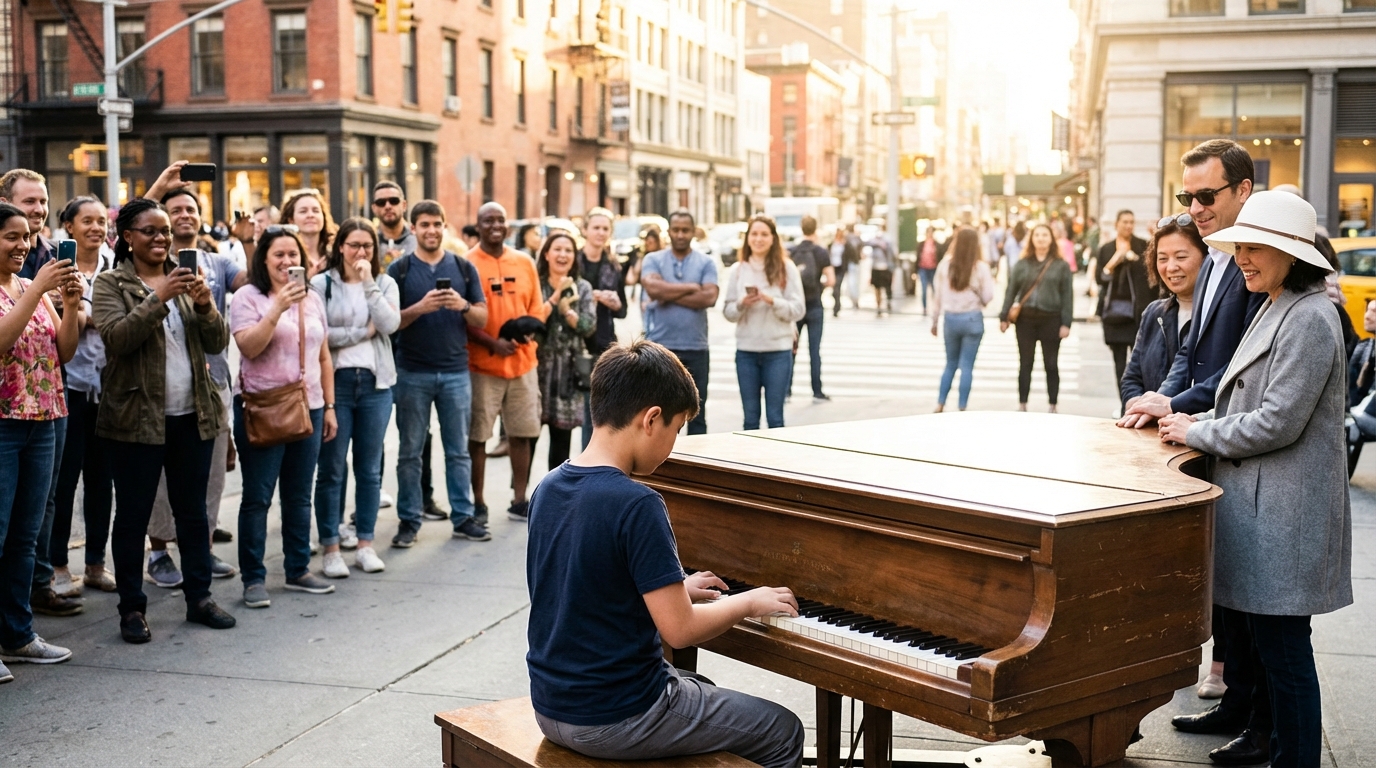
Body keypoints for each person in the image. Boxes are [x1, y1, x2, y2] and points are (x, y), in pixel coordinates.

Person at [525, 339, 804, 766]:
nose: (674, 444)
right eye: (677, 429)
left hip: (552, 705)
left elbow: (583, 586)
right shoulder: (637, 503)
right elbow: (680, 631)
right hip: (618, 715)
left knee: (700, 683)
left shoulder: (548, 487)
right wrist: (748, 601)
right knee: (783, 730)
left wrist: (675, 587)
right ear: (651, 419)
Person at [1158, 191, 1352, 768]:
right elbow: (1248, 400)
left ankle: (1295, 759)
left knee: (1287, 656)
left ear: (1291, 254)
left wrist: (1195, 433)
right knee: (1270, 650)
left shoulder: (1312, 317)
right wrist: (1200, 419)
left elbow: (1277, 421)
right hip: (1265, 509)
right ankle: (1263, 738)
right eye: (1238, 246)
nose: (1241, 257)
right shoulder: (1276, 302)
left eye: (1253, 247)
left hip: (1285, 515)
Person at [1123, 141, 1271, 765]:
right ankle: (1236, 703)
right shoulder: (1217, 256)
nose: (1196, 208)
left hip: (1237, 442)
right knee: (1226, 589)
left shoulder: (1256, 257)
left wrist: (1182, 410)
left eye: (1206, 197)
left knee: (1260, 603)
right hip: (1202, 428)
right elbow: (1192, 355)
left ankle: (1259, 720)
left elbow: (1236, 369)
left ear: (1243, 190)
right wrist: (1163, 398)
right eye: (1187, 197)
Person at [92, 198, 237, 643]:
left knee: (193, 514)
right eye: (150, 231)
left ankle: (199, 598)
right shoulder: (110, 284)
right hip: (135, 419)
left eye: (165, 231)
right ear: (127, 238)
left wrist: (207, 306)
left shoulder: (188, 279)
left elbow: (217, 341)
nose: (160, 238)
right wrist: (160, 297)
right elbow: (118, 338)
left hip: (191, 415)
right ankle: (132, 609)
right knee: (134, 515)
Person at [142, 187, 248, 587]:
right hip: (160, 387)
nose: (184, 215)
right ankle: (158, 554)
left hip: (212, 382)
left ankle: (199, 552)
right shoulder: (147, 264)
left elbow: (254, 281)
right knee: (161, 480)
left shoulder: (217, 263)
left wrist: (249, 237)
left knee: (210, 476)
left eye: (191, 209)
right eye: (175, 211)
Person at [230, 226, 339, 608]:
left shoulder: (312, 298)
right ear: (263, 259)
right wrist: (277, 307)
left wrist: (329, 406)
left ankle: (297, 570)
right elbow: (249, 346)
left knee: (298, 496)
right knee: (257, 497)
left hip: (307, 405)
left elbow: (324, 356)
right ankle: (254, 578)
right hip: (263, 406)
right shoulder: (248, 297)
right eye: (278, 254)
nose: (287, 261)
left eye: (293, 254)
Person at [0, 202, 80, 678]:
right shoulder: (31, 291)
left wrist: (69, 303)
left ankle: (17, 635)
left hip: (45, 417)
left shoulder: (33, 287)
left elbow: (64, 350)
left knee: (26, 537)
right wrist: (40, 293)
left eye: (26, 237)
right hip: (4, 422)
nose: (23, 245)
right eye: (11, 236)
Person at [388, 201, 490, 545]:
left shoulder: (463, 267)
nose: (431, 230)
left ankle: (463, 517)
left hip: (455, 372)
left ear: (444, 227)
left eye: (437, 224)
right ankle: (409, 519)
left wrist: (460, 305)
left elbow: (482, 317)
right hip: (412, 371)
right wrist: (420, 308)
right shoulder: (399, 270)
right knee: (409, 452)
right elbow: (389, 323)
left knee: (458, 450)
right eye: (424, 224)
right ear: (413, 228)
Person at [312, 218, 400, 575]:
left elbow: (390, 324)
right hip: (336, 383)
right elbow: (318, 333)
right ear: (340, 247)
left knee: (369, 469)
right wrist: (361, 332)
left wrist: (366, 283)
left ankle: (365, 543)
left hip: (376, 384)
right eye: (353, 245)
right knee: (332, 467)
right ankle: (331, 547)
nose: (361, 252)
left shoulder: (383, 282)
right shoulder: (321, 284)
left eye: (367, 246)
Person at [49, 197, 116, 597]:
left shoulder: (115, 266)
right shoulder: (55, 266)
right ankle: (58, 565)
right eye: (85, 221)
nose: (95, 228)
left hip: (109, 387)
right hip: (66, 385)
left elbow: (112, 317)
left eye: (99, 221)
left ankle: (95, 563)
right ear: (68, 227)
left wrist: (83, 314)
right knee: (65, 478)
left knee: (101, 479)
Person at [465, 202, 547, 524]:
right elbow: (463, 316)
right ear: (478, 225)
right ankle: (479, 502)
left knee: (522, 432)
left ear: (507, 226)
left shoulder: (524, 262)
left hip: (523, 364)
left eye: (500, 219)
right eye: (488, 220)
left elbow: (537, 309)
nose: (495, 225)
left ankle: (519, 499)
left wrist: (527, 337)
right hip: (482, 366)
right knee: (478, 435)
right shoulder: (467, 263)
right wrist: (492, 343)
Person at [639, 211, 718, 435]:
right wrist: (692, 287)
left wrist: (667, 292)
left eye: (685, 230)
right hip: (661, 349)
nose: (680, 234)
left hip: (696, 347)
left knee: (697, 416)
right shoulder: (653, 259)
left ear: (693, 232)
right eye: (676, 230)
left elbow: (709, 297)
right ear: (669, 231)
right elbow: (652, 289)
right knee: (658, 416)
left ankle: (697, 466)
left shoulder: (706, 262)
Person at [723, 216, 805, 430]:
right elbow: (728, 312)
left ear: (773, 238)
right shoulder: (738, 270)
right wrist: (742, 303)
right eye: (754, 234)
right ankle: (748, 463)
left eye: (764, 234)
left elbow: (798, 309)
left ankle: (775, 463)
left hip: (778, 351)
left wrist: (771, 300)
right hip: (746, 351)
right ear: (748, 238)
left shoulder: (786, 268)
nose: (758, 239)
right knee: (750, 419)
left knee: (775, 418)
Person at [1120, 214, 1206, 408]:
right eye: (1163, 258)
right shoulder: (1154, 312)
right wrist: (1142, 409)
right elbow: (1131, 380)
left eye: (1181, 257)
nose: (1171, 267)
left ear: (1206, 258)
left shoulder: (1217, 314)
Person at [533, 232, 596, 469]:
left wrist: (569, 312)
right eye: (557, 249)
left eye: (568, 250)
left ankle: (554, 497)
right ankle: (520, 498)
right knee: (528, 435)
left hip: (569, 373)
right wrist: (556, 298)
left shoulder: (583, 287)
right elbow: (531, 322)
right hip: (537, 368)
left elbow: (588, 327)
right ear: (546, 254)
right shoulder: (535, 283)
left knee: (561, 440)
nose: (563, 255)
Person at [999, 223, 1073, 413]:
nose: (1041, 238)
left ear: (1051, 239)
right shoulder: (1022, 264)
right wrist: (1004, 316)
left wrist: (1066, 322)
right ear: (1031, 239)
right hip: (1025, 321)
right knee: (1025, 363)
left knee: (1051, 363)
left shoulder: (1060, 265)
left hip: (1051, 319)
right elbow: (1011, 290)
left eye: (1045, 235)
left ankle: (1053, 405)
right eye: (1037, 235)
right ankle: (1022, 404)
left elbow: (1067, 295)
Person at [575, 207, 626, 449]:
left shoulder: (614, 266)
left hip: (604, 341)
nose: (600, 233)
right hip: (576, 340)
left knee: (597, 413)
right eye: (595, 227)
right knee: (579, 412)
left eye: (605, 228)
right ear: (585, 230)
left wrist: (615, 303)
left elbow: (623, 309)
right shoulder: (573, 260)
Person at [931, 228, 994, 412]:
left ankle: (940, 403)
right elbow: (989, 295)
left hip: (951, 319)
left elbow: (938, 297)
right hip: (973, 318)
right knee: (967, 366)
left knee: (950, 363)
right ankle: (962, 407)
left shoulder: (945, 265)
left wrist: (935, 322)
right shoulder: (981, 267)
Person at [1096, 211, 1151, 398]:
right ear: (1116, 224)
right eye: (1125, 222)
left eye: (1131, 222)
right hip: (1115, 313)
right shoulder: (1106, 249)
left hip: (1137, 312)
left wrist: (1133, 259)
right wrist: (1115, 260)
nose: (1128, 226)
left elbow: (1149, 276)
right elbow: (1100, 278)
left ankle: (1137, 400)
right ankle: (1124, 403)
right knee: (1119, 363)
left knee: (1140, 363)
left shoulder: (1142, 246)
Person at [787, 216, 834, 403]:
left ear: (801, 229)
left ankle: (786, 391)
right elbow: (831, 280)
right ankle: (817, 391)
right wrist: (819, 287)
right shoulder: (821, 252)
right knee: (815, 351)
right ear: (816, 229)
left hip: (796, 307)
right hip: (815, 306)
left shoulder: (792, 251)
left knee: (791, 350)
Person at [0, 169, 56, 280]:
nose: (39, 210)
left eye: (43, 202)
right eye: (30, 201)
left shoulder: (58, 253)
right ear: (4, 203)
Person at [280, 190, 335, 277]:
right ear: (291, 220)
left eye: (315, 211)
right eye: (303, 211)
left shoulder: (334, 256)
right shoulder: (283, 257)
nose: (310, 215)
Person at [371, 181, 416, 270]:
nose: (388, 206)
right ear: (374, 208)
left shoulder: (418, 239)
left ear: (404, 205)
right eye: (381, 202)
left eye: (394, 201)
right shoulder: (369, 242)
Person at [916, 226, 947, 316]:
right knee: (924, 288)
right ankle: (925, 308)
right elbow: (918, 256)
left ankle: (935, 307)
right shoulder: (921, 244)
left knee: (935, 288)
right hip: (923, 268)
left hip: (933, 269)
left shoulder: (936, 244)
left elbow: (940, 255)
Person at [828, 225, 858, 317]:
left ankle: (836, 308)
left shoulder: (845, 244)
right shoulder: (831, 244)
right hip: (833, 268)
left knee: (837, 286)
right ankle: (837, 304)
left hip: (841, 268)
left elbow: (853, 254)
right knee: (834, 288)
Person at [867, 233, 896, 316]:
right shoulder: (874, 244)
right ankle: (878, 305)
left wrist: (892, 268)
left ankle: (888, 301)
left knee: (887, 286)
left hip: (885, 268)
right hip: (876, 268)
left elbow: (892, 256)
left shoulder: (888, 243)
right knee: (877, 288)